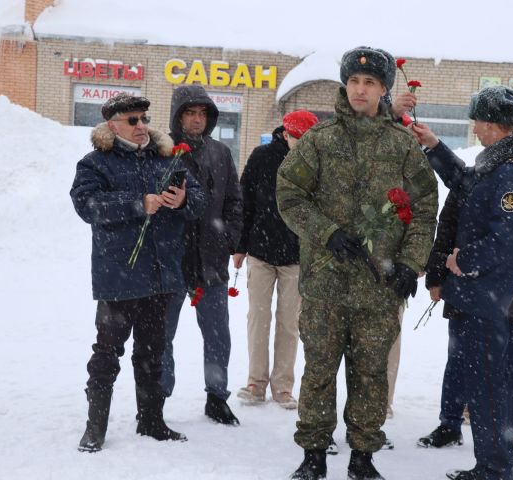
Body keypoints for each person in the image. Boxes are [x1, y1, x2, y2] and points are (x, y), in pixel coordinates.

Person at [277, 46, 438, 480]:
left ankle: (363, 457)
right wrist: (327, 233)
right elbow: (289, 194)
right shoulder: (319, 141)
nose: (360, 90)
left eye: (369, 83)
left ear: (384, 89)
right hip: (325, 284)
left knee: (370, 374)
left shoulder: (403, 145)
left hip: (379, 286)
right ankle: (313, 454)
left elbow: (424, 208)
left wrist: (410, 263)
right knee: (319, 370)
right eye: (353, 81)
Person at [411, 85, 513, 480]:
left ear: (494, 125)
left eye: (478, 123)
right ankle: (489, 465)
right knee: (481, 385)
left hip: (487, 296)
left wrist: (462, 259)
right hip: (475, 295)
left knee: (487, 387)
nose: (475, 130)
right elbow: (465, 184)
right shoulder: (495, 164)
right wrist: (434, 146)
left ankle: (495, 470)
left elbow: (512, 238)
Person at [71, 93, 207, 452]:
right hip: (119, 276)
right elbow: (86, 205)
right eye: (132, 120)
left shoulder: (166, 158)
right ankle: (95, 427)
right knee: (107, 353)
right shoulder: (95, 163)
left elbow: (197, 198)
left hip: (161, 276)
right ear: (112, 125)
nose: (141, 126)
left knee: (152, 353)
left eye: (144, 118)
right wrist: (136, 204)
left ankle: (151, 421)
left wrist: (182, 200)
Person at [419, 169, 513, 463]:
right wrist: (436, 275)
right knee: (459, 359)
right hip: (467, 285)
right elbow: (446, 229)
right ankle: (450, 424)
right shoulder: (470, 179)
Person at [161, 84, 244, 425]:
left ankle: (216, 396)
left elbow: (235, 202)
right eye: (189, 113)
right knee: (161, 335)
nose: (196, 120)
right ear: (177, 115)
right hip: (171, 259)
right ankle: (157, 396)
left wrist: (230, 240)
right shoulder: (161, 150)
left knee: (217, 333)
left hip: (212, 258)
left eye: (201, 114)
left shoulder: (221, 153)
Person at [234, 110, 319, 409]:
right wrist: (239, 246)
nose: (302, 142)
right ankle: (256, 382)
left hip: (296, 257)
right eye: (298, 137)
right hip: (260, 252)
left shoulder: (316, 162)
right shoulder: (261, 157)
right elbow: (245, 203)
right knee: (258, 317)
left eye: (307, 138)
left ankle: (283, 386)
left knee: (289, 322)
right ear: (285, 133)